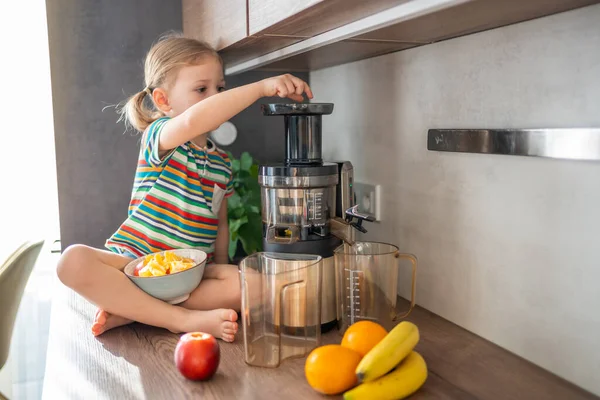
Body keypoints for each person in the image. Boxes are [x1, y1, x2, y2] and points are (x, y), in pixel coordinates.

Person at [56, 33, 313, 342]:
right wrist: (261, 88)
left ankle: (131, 309)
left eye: (219, 88)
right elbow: (192, 121)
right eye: (201, 89)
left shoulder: (221, 163)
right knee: (71, 261)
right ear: (163, 101)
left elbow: (220, 224)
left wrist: (221, 267)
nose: (215, 97)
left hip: (190, 277)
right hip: (135, 265)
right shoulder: (160, 137)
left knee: (255, 285)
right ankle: (178, 319)